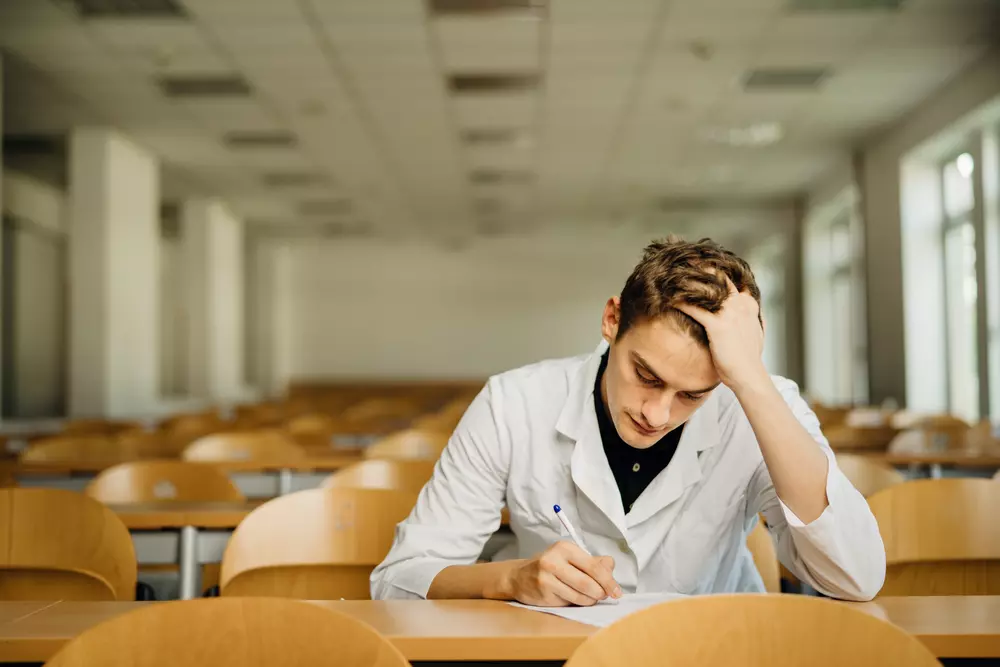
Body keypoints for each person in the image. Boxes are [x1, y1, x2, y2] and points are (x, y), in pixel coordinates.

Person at [371, 237, 885, 605]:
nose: (657, 414)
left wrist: (751, 381)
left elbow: (854, 577)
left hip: (719, 654)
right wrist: (510, 580)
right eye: (646, 375)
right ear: (612, 320)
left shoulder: (760, 404)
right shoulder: (513, 403)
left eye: (693, 394)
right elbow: (397, 581)